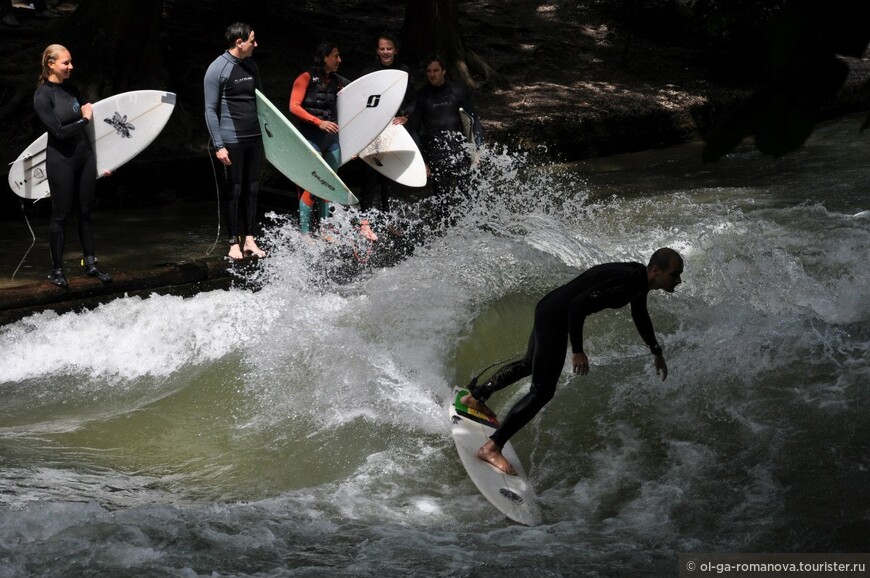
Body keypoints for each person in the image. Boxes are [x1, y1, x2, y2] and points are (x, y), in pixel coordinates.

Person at [461, 248, 685, 475]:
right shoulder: (629, 281)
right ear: (656, 271)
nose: (678, 280)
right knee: (542, 392)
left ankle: (476, 397)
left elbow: (640, 315)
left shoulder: (637, 279)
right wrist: (577, 350)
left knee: (530, 364)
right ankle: (492, 447)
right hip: (556, 319)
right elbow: (577, 305)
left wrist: (656, 351)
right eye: (674, 274)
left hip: (548, 308)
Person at [33, 44, 112, 288]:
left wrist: (107, 161)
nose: (70, 67)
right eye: (65, 63)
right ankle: (57, 270)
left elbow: (88, 132)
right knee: (60, 215)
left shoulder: (72, 89)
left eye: (70, 62)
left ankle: (90, 264)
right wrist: (86, 117)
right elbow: (59, 132)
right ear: (50, 64)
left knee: (86, 211)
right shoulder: (42, 96)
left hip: (85, 158)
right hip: (61, 161)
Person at [204, 22, 266, 260]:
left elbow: (262, 103)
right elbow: (210, 110)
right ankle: (232, 241)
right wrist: (219, 145)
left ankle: (249, 238)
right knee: (235, 190)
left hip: (255, 137)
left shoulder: (251, 65)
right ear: (239, 42)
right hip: (232, 139)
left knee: (252, 189)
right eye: (252, 40)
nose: (255, 44)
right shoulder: (217, 69)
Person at [407, 55, 482, 226]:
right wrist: (422, 161)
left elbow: (473, 121)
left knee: (469, 193)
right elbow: (414, 131)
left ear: (444, 71)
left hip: (460, 151)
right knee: (441, 200)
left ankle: (475, 227)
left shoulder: (458, 91)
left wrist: (477, 149)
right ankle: (444, 232)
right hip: (436, 154)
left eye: (436, 70)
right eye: (429, 71)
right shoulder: (422, 97)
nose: (432, 74)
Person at [288, 41, 350, 238]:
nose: (339, 60)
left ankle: (325, 229)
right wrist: (318, 122)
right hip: (311, 138)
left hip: (331, 141)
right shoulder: (305, 78)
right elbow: (294, 106)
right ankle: (305, 233)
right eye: (335, 56)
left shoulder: (338, 81)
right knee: (311, 185)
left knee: (329, 184)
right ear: (325, 58)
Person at [357, 33, 414, 221]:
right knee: (370, 174)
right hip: (373, 131)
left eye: (389, 48)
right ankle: (364, 219)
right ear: (377, 51)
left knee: (390, 175)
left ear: (395, 50)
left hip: (394, 129)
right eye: (382, 49)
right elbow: (361, 101)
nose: (385, 52)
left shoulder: (404, 71)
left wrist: (406, 116)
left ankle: (388, 218)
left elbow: (413, 99)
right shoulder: (369, 72)